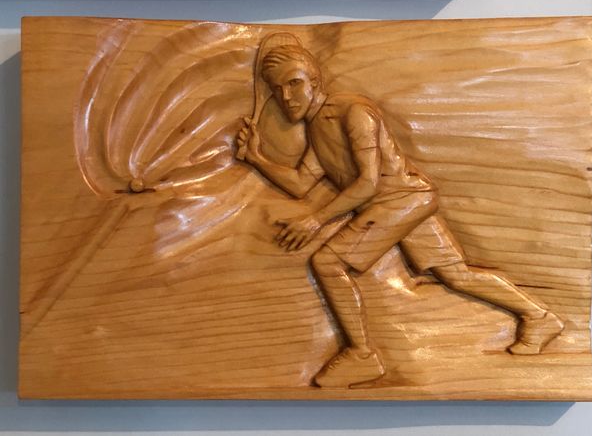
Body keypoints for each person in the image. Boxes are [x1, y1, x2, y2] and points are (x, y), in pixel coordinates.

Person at [237, 43, 564, 388]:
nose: (286, 96)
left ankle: (362, 355)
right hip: (404, 203)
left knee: (328, 263)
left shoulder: (353, 112)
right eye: (277, 89)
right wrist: (256, 158)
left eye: (294, 83)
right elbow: (302, 182)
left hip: (400, 201)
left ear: (315, 80)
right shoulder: (319, 128)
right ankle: (539, 316)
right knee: (456, 276)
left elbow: (367, 183)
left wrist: (317, 220)